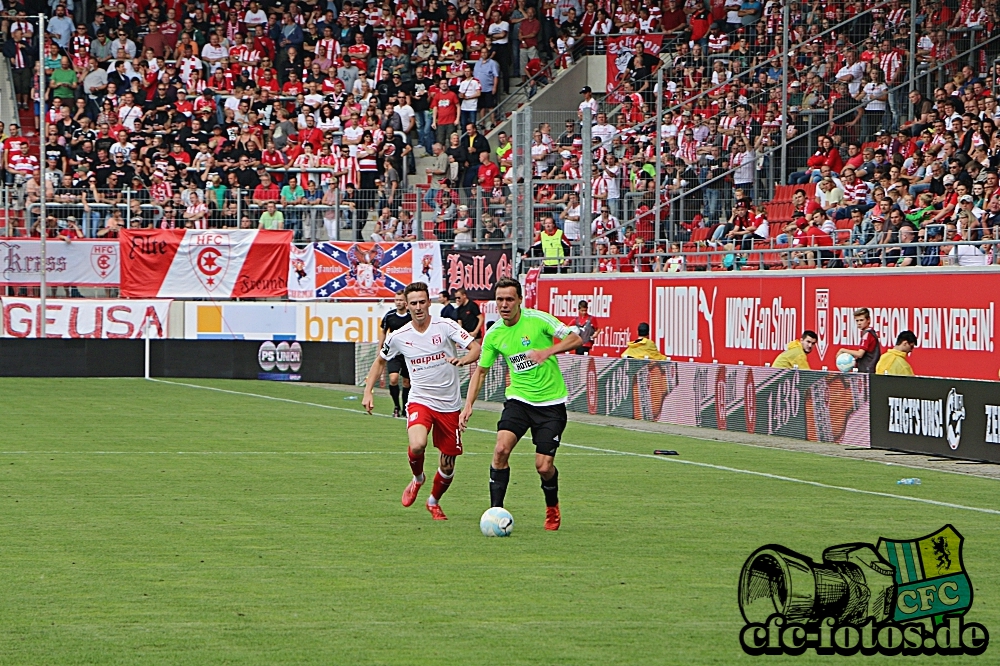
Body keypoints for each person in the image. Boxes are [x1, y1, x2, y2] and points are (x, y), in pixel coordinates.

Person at [460, 277, 582, 531]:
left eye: (509, 299)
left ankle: (552, 506)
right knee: (501, 450)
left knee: (543, 466)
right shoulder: (494, 334)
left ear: (519, 301)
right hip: (519, 401)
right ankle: (496, 512)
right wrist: (468, 405)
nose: (504, 304)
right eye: (500, 300)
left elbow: (576, 338)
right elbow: (480, 372)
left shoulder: (538, 320)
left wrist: (547, 352)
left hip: (551, 404)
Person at [363, 282, 482, 520]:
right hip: (421, 400)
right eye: (413, 303)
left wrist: (464, 360)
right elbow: (380, 361)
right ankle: (418, 478)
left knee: (448, 466)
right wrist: (368, 391)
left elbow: (475, 347)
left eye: (422, 302)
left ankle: (433, 501)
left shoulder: (445, 326)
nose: (418, 307)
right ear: (407, 306)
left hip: (449, 405)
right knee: (417, 445)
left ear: (429, 302)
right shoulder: (399, 336)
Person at [378, 291, 413, 418]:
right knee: (393, 379)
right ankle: (396, 407)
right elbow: (383, 331)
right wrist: (380, 347)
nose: (398, 302)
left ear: (406, 302)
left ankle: (405, 408)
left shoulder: (411, 316)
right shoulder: (390, 316)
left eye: (400, 300)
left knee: (406, 382)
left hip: (408, 353)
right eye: (396, 300)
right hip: (394, 353)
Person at [836, 307, 882, 373]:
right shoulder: (872, 332)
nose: (859, 323)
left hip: (867, 370)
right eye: (857, 321)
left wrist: (842, 350)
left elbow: (860, 354)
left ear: (868, 320)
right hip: (871, 369)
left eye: (861, 320)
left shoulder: (867, 334)